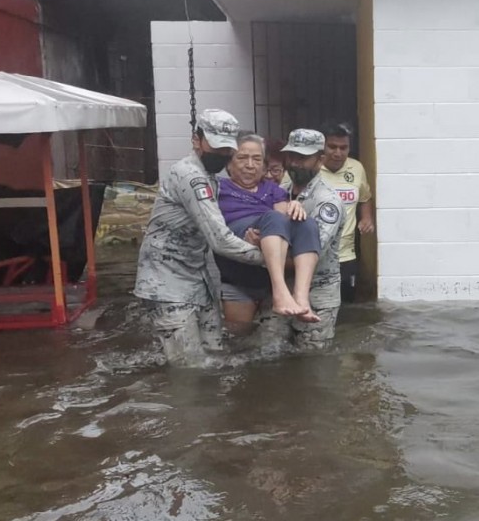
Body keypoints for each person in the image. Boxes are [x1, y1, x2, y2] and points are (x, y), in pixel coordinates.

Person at [134, 109, 264, 365]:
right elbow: (219, 239)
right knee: (189, 367)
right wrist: (271, 258)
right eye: (215, 147)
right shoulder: (190, 176)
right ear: (197, 140)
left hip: (199, 280)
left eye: (227, 149)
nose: (222, 155)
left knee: (215, 355)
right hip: (167, 283)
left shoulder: (210, 177)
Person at [214, 134, 322, 334]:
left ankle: (300, 297)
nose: (249, 165)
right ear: (229, 163)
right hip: (236, 255)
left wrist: (295, 207)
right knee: (238, 338)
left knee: (306, 222)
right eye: (242, 158)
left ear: (263, 166)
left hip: (263, 267)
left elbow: (281, 224)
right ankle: (281, 292)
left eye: (256, 159)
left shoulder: (274, 190)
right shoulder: (218, 187)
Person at [254, 129, 344, 350]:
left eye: (303, 158)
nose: (294, 163)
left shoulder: (327, 202)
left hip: (315, 298)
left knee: (312, 363)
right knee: (269, 356)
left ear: (320, 160)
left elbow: (313, 254)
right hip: (278, 292)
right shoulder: (278, 192)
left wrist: (264, 250)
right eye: (291, 156)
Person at [319, 123, 374, 303]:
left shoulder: (356, 168)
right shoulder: (311, 169)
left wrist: (367, 218)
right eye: (332, 147)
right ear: (323, 147)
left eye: (343, 148)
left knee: (347, 307)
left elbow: (365, 197)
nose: (338, 153)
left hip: (346, 255)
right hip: (316, 253)